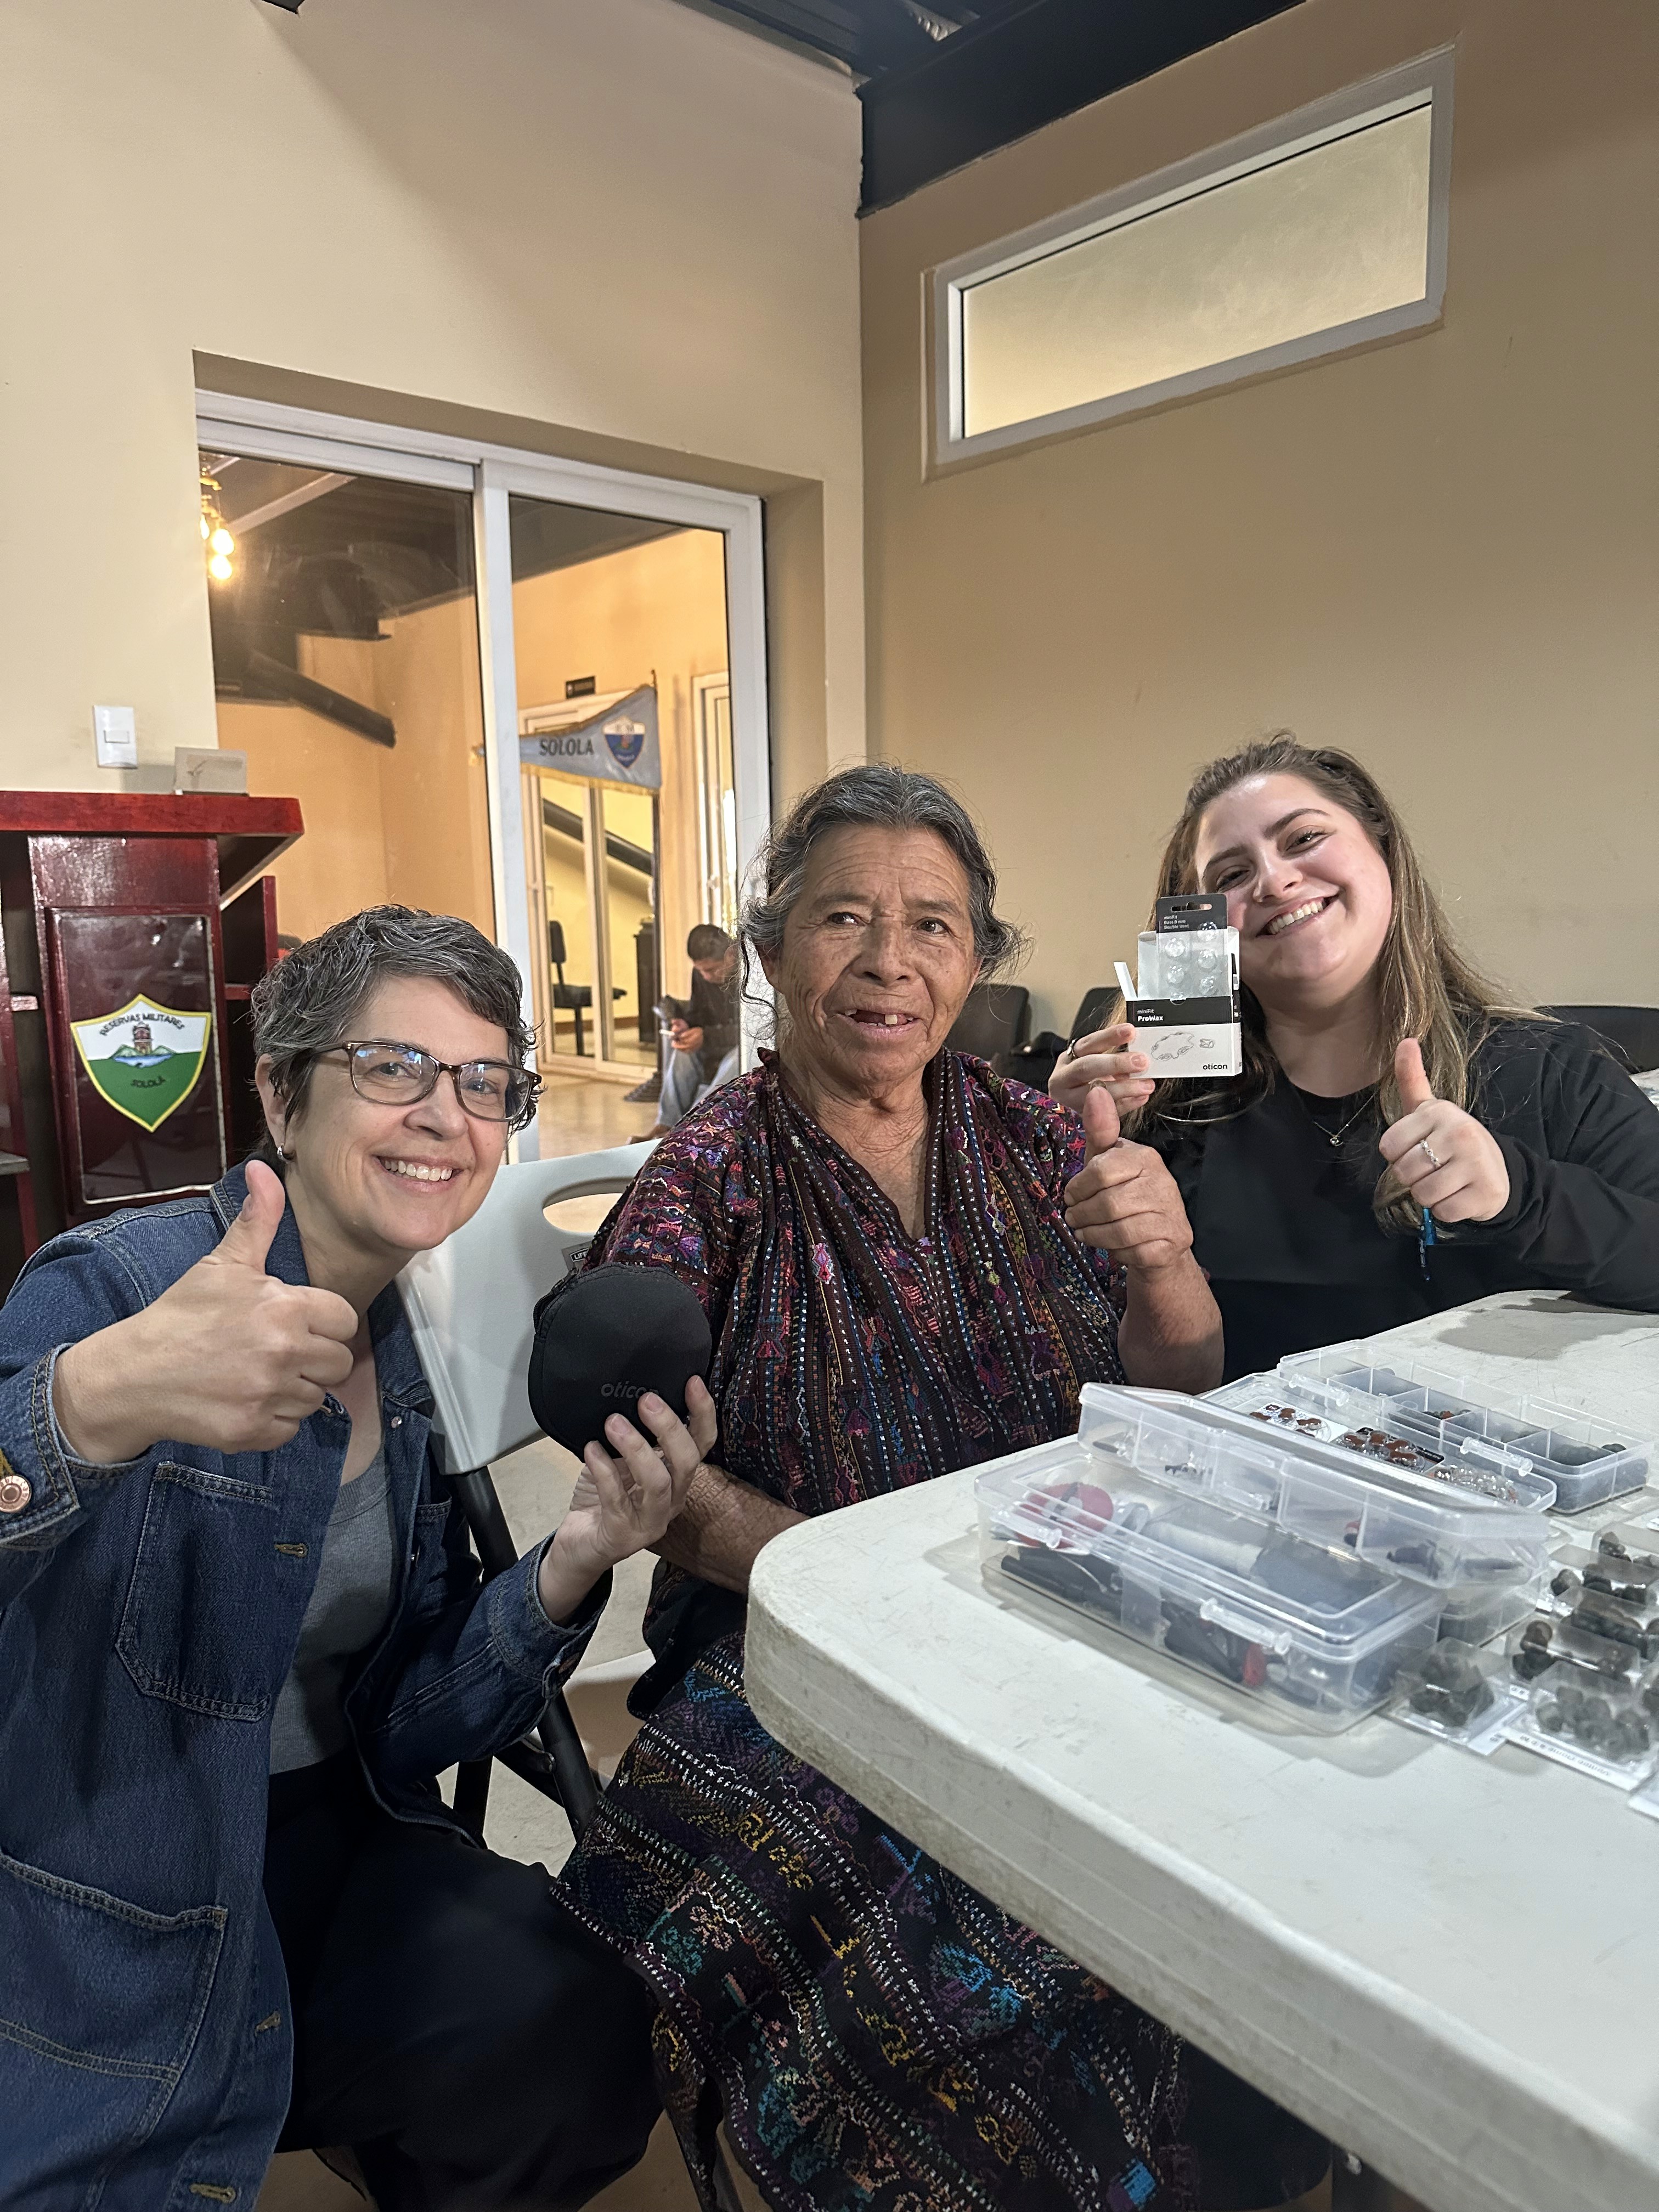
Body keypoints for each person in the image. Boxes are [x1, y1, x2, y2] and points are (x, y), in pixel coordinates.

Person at [555, 766, 1327, 2212]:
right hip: (794, 1662)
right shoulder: (705, 1176)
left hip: (1056, 1615)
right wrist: (865, 1587)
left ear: (977, 961)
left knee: (1254, 1881)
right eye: (844, 917)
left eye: (932, 926)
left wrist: (1163, 1261)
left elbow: (1176, 1388)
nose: (889, 963)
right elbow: (651, 1465)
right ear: (776, 949)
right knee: (997, 1981)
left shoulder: (1037, 1134)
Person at [0, 906, 705, 2211]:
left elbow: (391, 1730)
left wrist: (579, 1553)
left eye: (486, 1082)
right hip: (107, 1890)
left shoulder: (400, 1355)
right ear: (281, 1093)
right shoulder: (111, 1294)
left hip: (336, 1842)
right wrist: (94, 1402)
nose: (448, 1114)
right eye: (394, 1068)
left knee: (583, 2035)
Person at [1053, 737, 1659, 1381]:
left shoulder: (1550, 1069)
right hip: (1259, 1468)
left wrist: (1520, 1192)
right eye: (1230, 875)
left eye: (1304, 838)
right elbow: (1163, 1382)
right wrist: (1052, 1146)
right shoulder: (1175, 1113)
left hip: (1501, 1466)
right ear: (1201, 926)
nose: (1275, 881)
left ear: (1383, 849)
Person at [650, 921, 741, 1132]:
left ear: (731, 954)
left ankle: (691, 1128)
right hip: (715, 1043)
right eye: (701, 971)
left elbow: (750, 1032)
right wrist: (686, 1025)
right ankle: (666, 1124)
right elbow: (698, 1014)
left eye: (711, 969)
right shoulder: (701, 975)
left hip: (740, 1046)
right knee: (683, 1051)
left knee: (737, 1059)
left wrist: (706, 1036)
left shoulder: (751, 971)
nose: (706, 977)